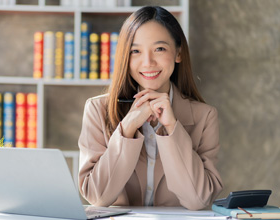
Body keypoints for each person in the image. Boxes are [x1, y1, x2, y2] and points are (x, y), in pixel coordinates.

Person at [78, 6, 223, 210]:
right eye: (135, 51)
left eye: (159, 49)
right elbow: (98, 197)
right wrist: (126, 129)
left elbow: (197, 200)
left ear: (178, 53)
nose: (148, 63)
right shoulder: (97, 110)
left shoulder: (205, 117)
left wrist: (172, 128)